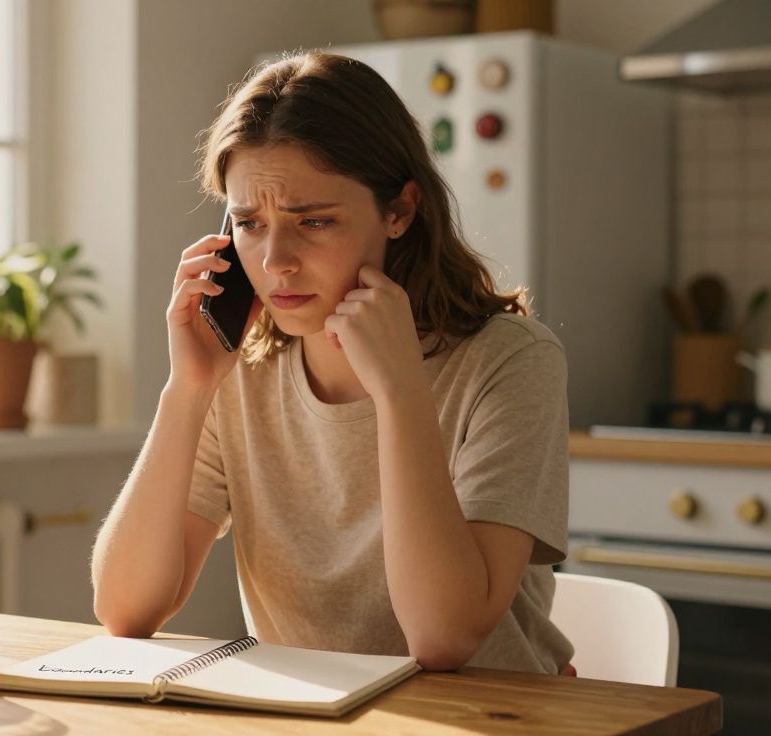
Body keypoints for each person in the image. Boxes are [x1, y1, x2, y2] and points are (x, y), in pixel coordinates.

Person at [90, 50, 574, 674]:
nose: (275, 262)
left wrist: (400, 393)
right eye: (249, 223)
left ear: (400, 211)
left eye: (313, 221)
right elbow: (126, 610)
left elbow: (443, 639)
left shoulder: (510, 361)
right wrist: (188, 387)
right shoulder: (240, 367)